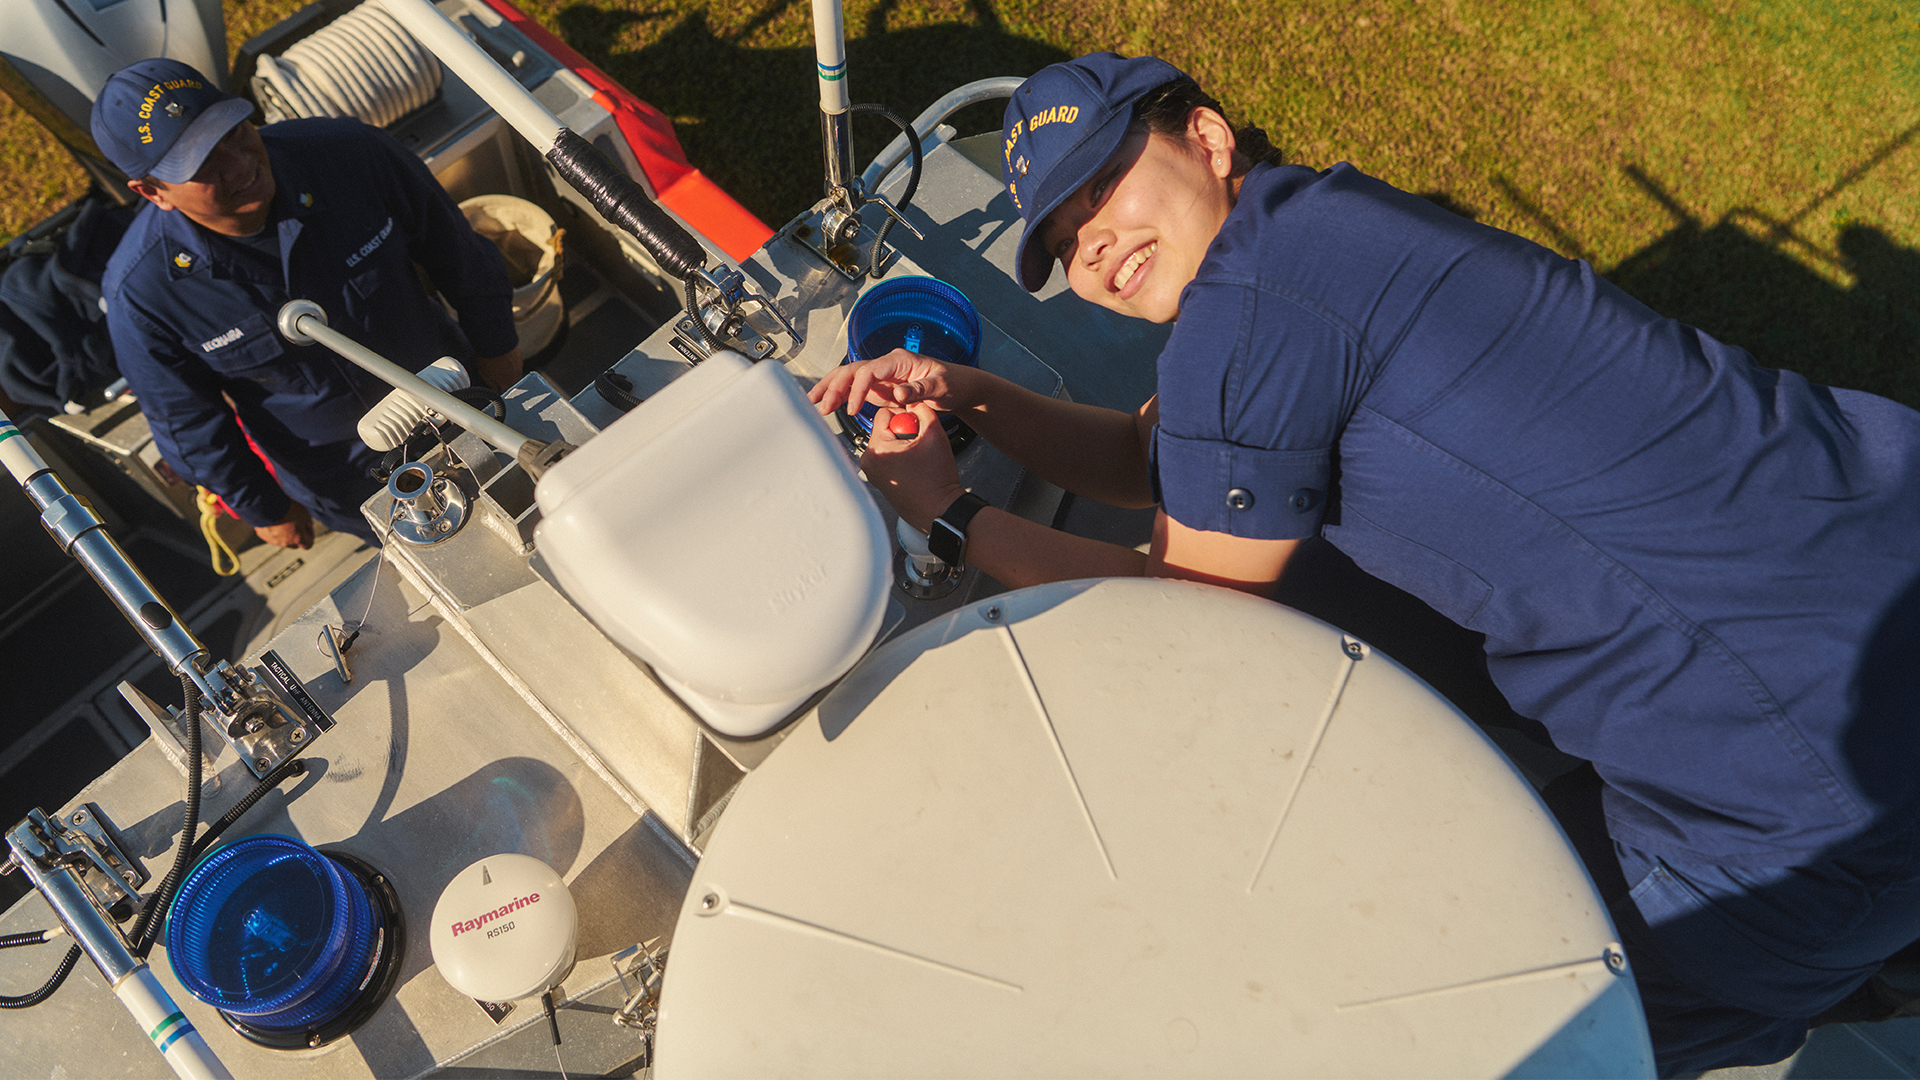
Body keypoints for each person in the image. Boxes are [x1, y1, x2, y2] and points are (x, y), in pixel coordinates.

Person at [810, 52, 1920, 1075]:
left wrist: (950, 519)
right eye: (1061, 239)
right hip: (1869, 553)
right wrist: (978, 398)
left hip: (1788, 781)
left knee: (1469, 1016)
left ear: (1205, 137)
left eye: (1102, 186)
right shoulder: (1323, 228)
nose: (1089, 243)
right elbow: (1163, 457)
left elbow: (1190, 618)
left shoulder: (1242, 324)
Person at [93, 58, 523, 547]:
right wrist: (265, 508)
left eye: (233, 133)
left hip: (459, 401)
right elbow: (187, 422)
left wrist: (498, 347)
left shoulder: (350, 154)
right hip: (348, 478)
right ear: (152, 192)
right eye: (202, 163)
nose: (239, 165)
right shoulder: (142, 294)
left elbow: (457, 251)